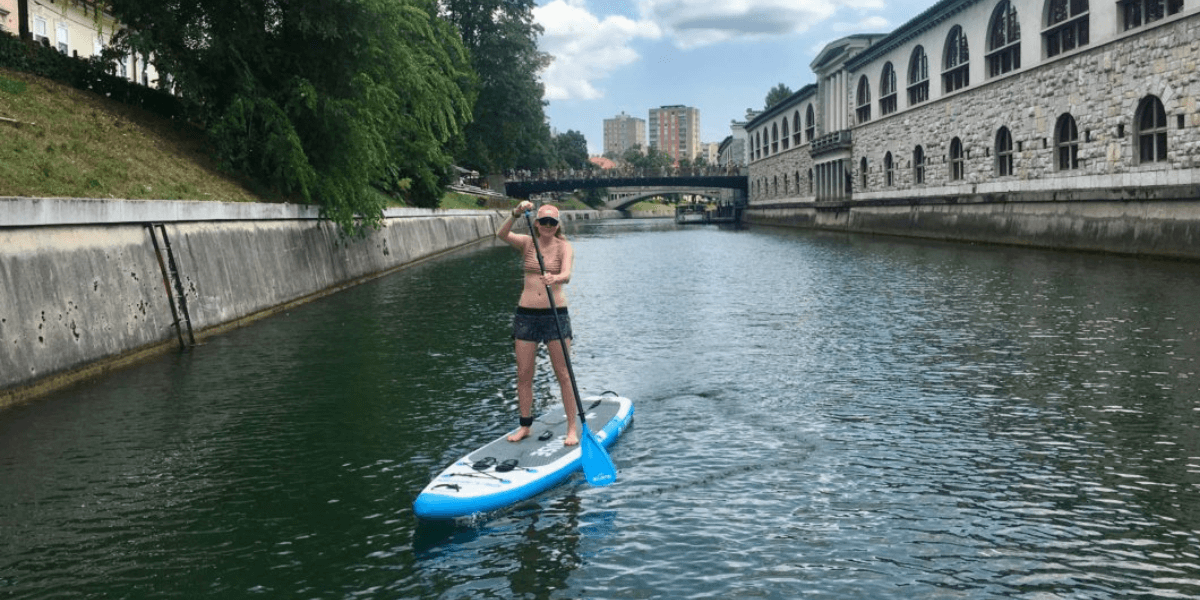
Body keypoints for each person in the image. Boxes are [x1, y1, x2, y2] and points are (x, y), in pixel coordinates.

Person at [496, 201, 579, 445]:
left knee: (563, 374)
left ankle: (572, 429)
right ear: (536, 223)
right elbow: (500, 234)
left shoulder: (564, 246)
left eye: (552, 222)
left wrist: (555, 277)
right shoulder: (527, 242)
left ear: (557, 225)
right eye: (543, 221)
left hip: (555, 315)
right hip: (526, 315)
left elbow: (567, 274)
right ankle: (525, 426)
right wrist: (515, 213)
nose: (547, 226)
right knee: (524, 374)